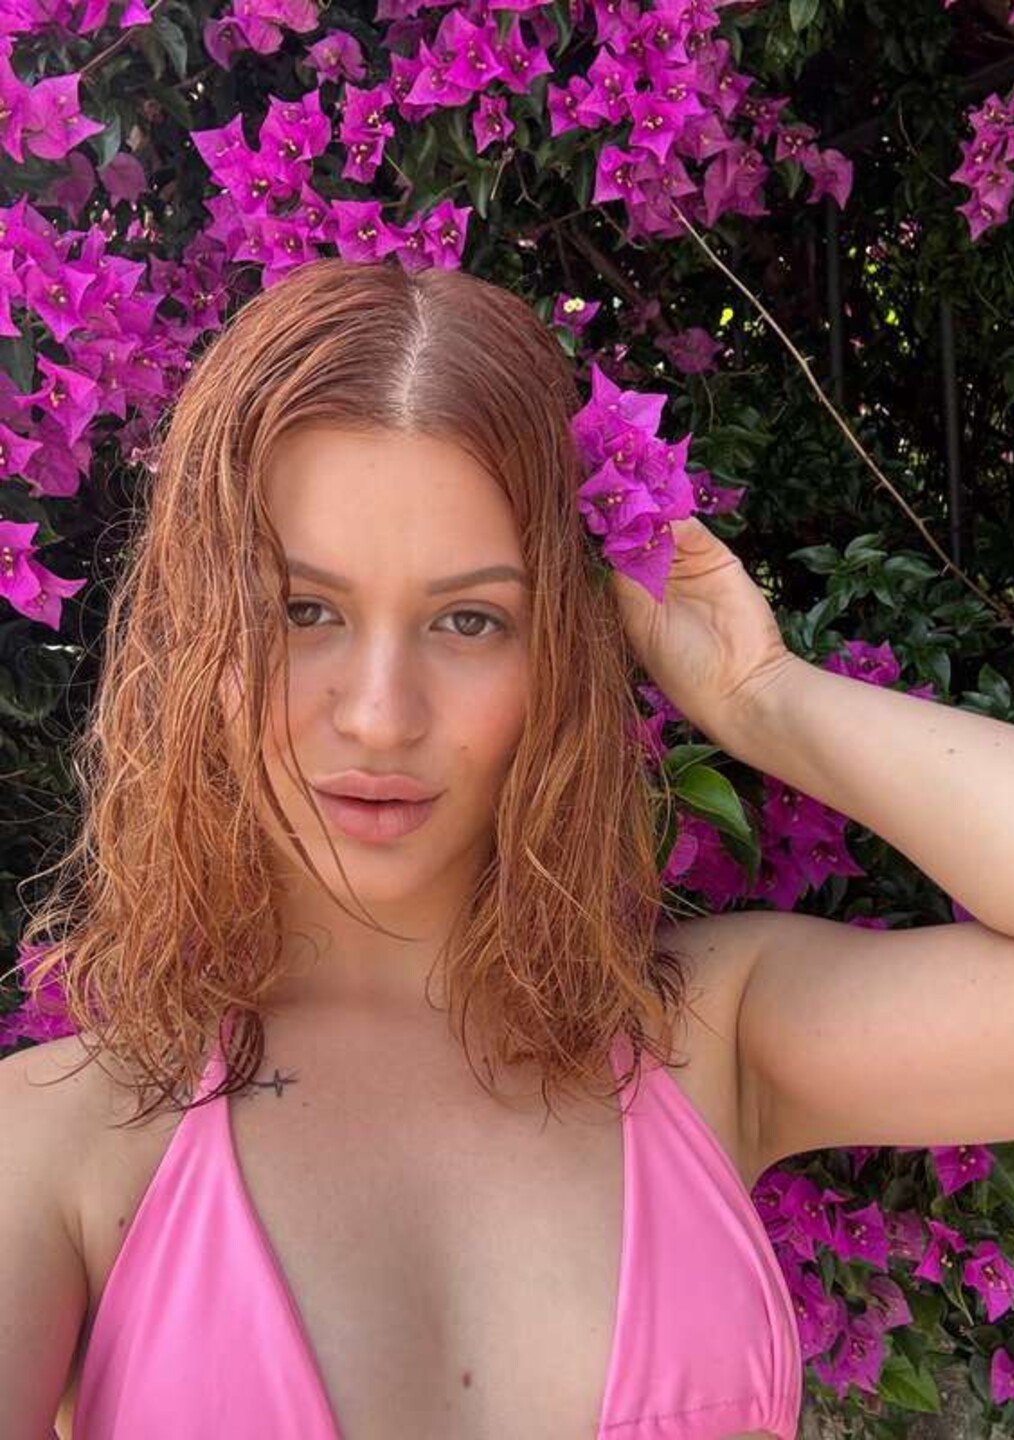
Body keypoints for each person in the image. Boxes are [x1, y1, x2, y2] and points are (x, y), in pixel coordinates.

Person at [2, 257, 803, 1440]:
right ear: (198, 632)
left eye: (470, 619)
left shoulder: (713, 1038)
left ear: (562, 655)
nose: (381, 716)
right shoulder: (49, 1148)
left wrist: (766, 701)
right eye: (302, 610)